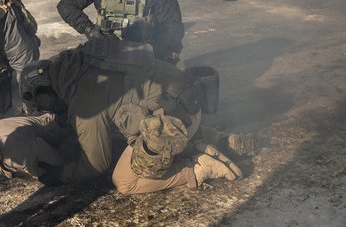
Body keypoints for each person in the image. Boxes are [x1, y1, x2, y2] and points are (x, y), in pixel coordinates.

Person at [19, 38, 245, 195]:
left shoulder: (83, 103)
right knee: (124, 131)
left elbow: (96, 164)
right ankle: (212, 138)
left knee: (126, 181)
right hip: (190, 105)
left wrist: (60, 175)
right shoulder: (82, 62)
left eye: (42, 104)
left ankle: (197, 168)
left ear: (44, 89)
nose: (48, 111)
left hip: (174, 122)